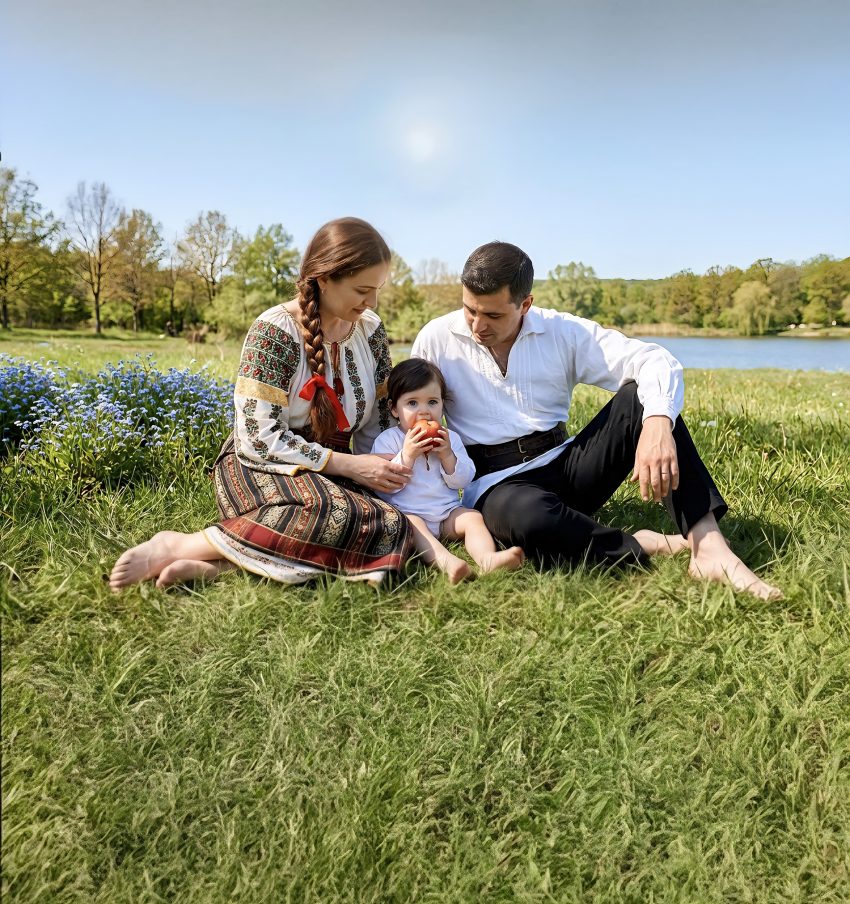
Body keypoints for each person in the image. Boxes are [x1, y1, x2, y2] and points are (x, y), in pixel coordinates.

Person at [411, 241, 781, 600]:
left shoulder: (561, 332)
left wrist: (656, 424)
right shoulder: (436, 339)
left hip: (568, 463)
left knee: (645, 398)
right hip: (497, 484)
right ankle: (642, 545)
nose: (477, 326)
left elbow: (654, 360)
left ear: (525, 304)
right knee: (530, 521)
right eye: (469, 310)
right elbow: (405, 409)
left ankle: (708, 546)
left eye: (493, 315)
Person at [110, 218, 414, 590]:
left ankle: (222, 564)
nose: (372, 302)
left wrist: (378, 470)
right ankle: (177, 544)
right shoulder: (274, 331)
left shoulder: (370, 331)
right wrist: (349, 466)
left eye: (378, 289)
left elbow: (378, 422)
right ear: (323, 278)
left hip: (338, 467)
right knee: (325, 512)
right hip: (263, 464)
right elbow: (258, 438)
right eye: (362, 289)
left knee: (390, 520)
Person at [371, 358, 525, 583]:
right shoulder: (388, 441)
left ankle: (487, 558)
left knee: (472, 518)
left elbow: (462, 481)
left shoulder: (450, 438)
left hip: (446, 514)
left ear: (443, 404)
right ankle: (448, 563)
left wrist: (447, 455)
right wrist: (408, 455)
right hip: (409, 515)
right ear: (394, 409)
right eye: (412, 403)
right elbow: (386, 488)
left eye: (432, 402)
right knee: (414, 524)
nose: (424, 412)